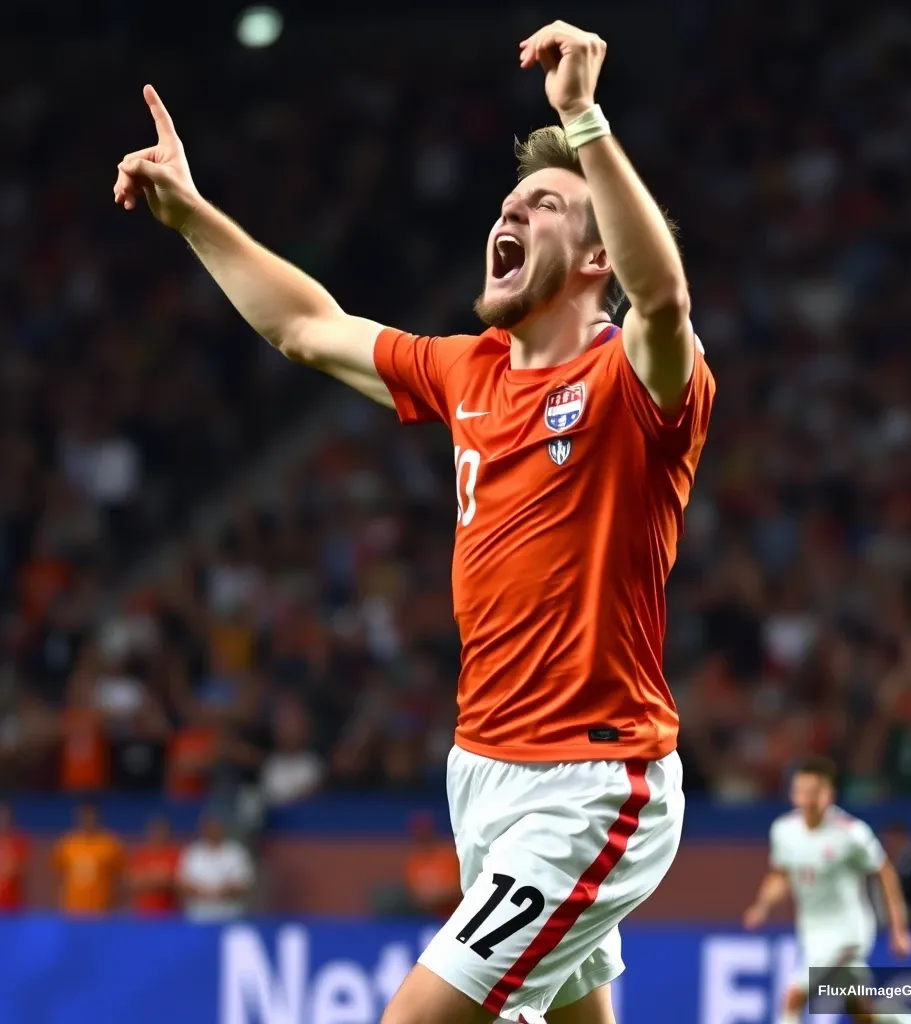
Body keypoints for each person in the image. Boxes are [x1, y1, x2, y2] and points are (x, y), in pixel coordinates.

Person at [114, 20, 713, 1024]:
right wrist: (192, 216)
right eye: (510, 200)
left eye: (545, 204)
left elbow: (664, 300)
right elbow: (305, 327)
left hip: (591, 785)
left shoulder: (633, 381)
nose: (512, 211)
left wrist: (582, 119)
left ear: (593, 256)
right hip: (481, 767)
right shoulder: (465, 370)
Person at [743, 757, 911, 1024]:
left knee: (793, 996)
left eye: (812, 792)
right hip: (812, 931)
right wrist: (762, 906)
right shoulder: (784, 830)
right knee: (864, 1014)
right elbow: (780, 875)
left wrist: (898, 930)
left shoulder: (851, 833)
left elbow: (884, 872)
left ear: (828, 794)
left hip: (849, 931)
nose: (806, 799)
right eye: (800, 791)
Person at [176, 815, 255, 922]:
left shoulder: (236, 852)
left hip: (230, 916)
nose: (213, 831)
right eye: (210, 828)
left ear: (222, 829)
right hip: (198, 917)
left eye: (216, 827)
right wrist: (204, 892)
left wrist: (220, 892)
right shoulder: (192, 852)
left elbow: (243, 885)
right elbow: (182, 884)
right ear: (203, 830)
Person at [51, 803, 124, 916]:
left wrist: (114, 906)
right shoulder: (67, 844)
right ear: (78, 817)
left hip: (101, 910)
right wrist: (61, 905)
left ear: (98, 818)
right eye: (85, 817)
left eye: (91, 817)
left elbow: (119, 879)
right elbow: (58, 877)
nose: (88, 820)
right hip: (73, 909)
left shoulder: (110, 845)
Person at [128, 815, 180, 917]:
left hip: (169, 914)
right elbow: (134, 883)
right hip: (144, 913)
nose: (159, 834)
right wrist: (161, 881)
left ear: (169, 833)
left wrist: (149, 880)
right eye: (156, 831)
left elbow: (175, 883)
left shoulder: (175, 855)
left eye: (162, 831)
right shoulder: (141, 855)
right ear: (149, 832)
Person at [0, 804, 31, 914]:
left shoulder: (18, 842)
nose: (3, 822)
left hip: (14, 903)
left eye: (5, 818)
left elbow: (24, 871)